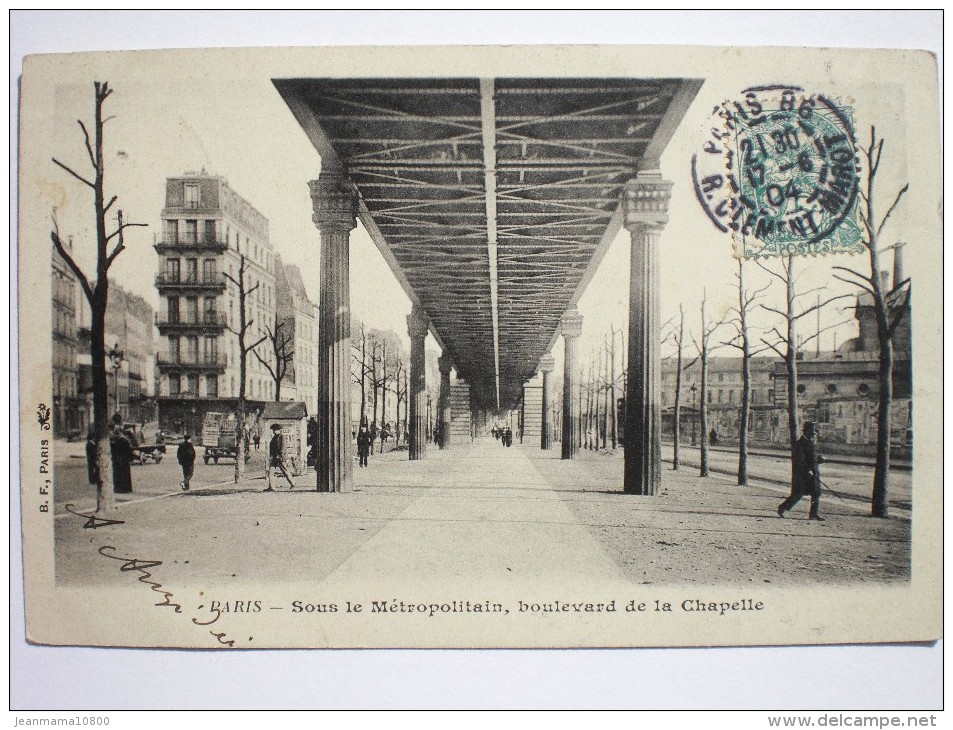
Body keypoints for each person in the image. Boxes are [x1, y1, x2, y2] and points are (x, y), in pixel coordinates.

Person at [778, 421, 826, 521]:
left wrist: (819, 459)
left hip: (813, 472)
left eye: (814, 434)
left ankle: (814, 514)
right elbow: (800, 460)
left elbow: (811, 457)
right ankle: (782, 508)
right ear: (806, 432)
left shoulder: (811, 443)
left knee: (816, 493)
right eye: (812, 433)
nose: (813, 435)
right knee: (798, 494)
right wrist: (807, 470)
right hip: (803, 474)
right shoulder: (799, 444)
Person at [266, 423, 295, 491]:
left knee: (285, 471)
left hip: (281, 457)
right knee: (271, 471)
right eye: (273, 430)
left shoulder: (282, 437)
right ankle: (271, 487)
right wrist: (271, 456)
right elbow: (272, 447)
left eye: (275, 430)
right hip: (274, 457)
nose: (274, 431)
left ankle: (293, 483)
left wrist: (280, 456)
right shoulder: (274, 438)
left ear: (279, 430)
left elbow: (283, 448)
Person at [110, 422, 133, 494]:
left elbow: (113, 451)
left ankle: (119, 488)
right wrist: (129, 458)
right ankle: (126, 489)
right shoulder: (125, 441)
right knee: (125, 475)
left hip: (118, 460)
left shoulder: (115, 442)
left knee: (118, 475)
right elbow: (129, 450)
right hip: (124, 460)